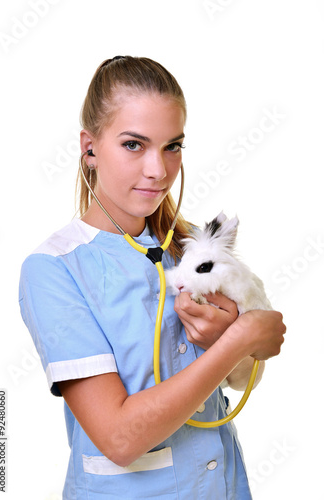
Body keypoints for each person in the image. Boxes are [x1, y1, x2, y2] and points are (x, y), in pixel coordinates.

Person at [19, 56, 286, 499]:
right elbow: (120, 438)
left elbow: (243, 380)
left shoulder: (190, 249)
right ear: (89, 148)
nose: (158, 171)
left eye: (172, 146)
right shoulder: (53, 270)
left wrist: (236, 343)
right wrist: (241, 337)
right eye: (133, 145)